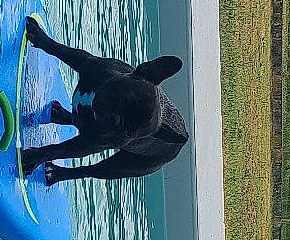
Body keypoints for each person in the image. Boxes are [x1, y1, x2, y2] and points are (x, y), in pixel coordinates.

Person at [18, 18, 189, 186]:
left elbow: (80, 148)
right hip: (118, 112)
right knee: (88, 65)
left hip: (152, 154)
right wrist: (46, 43)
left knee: (107, 167)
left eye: (126, 128)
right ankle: (69, 118)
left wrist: (42, 154)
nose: (114, 115)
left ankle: (70, 173)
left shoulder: (118, 136)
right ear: (144, 68)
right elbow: (81, 60)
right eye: (121, 99)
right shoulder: (107, 71)